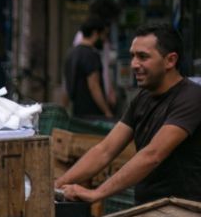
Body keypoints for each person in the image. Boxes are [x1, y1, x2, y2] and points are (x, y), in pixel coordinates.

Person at [58, 23, 201, 205]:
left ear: (170, 61)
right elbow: (105, 150)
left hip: (183, 213)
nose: (134, 64)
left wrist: (97, 194)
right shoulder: (143, 98)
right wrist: (58, 184)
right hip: (145, 209)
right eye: (133, 56)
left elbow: (152, 154)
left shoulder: (191, 97)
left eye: (143, 57)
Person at [64, 17, 114, 119]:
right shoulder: (91, 55)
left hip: (77, 113)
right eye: (104, 35)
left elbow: (65, 87)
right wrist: (107, 111)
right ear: (96, 34)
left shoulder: (71, 54)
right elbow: (94, 86)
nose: (104, 40)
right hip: (92, 115)